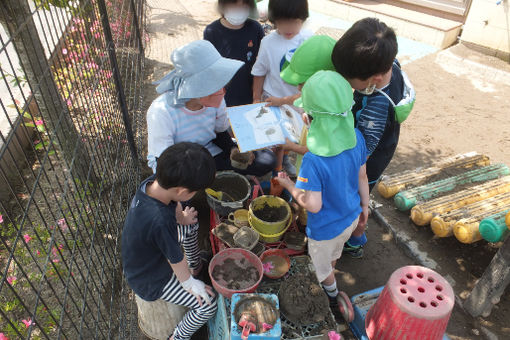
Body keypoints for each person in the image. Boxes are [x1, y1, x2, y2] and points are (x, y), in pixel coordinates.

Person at [276, 71, 369, 315]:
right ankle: (330, 272)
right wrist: (366, 207)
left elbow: (312, 204)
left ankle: (331, 295)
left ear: (307, 118)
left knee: (321, 267)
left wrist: (289, 186)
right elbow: (362, 176)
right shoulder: (357, 138)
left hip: (325, 228)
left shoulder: (314, 160)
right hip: (350, 217)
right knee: (334, 253)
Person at [122, 142, 217, 340]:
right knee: (208, 305)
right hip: (152, 279)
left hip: (151, 255)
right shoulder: (159, 221)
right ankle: (178, 337)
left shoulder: (154, 183)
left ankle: (196, 267)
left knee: (190, 225)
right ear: (182, 191)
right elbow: (175, 258)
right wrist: (189, 283)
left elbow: (175, 204)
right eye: (194, 191)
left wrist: (182, 218)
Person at [332, 17, 406, 258]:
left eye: (349, 78)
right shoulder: (389, 64)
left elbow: (361, 151)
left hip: (367, 162)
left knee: (353, 202)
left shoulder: (376, 106)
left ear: (373, 78)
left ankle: (354, 241)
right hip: (382, 143)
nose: (346, 81)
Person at [147, 40, 276, 176]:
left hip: (208, 150)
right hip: (179, 161)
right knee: (183, 181)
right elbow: (165, 160)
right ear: (193, 87)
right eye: (211, 84)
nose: (221, 91)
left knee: (266, 160)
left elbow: (218, 132)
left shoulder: (217, 97)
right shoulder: (161, 112)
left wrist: (231, 148)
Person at [251, 0, 311, 175]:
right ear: (274, 20)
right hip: (272, 98)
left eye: (296, 22)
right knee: (274, 138)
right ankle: (275, 168)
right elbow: (259, 72)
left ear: (303, 19)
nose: (290, 27)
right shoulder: (268, 42)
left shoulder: (308, 40)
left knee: (293, 138)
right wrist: (256, 98)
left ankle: (284, 160)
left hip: (298, 102)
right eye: (284, 23)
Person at [204, 0, 264, 106]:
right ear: (223, 6)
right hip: (222, 98)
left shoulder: (255, 28)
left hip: (250, 96)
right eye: (233, 5)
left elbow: (263, 62)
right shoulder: (211, 32)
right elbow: (208, 69)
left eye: (244, 6)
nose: (238, 10)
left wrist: (257, 96)